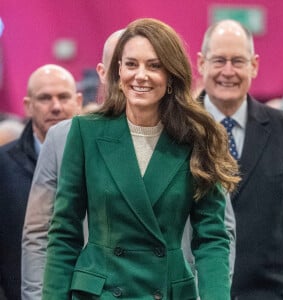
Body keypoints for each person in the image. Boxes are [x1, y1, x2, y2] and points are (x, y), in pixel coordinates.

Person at [42, 18, 239, 300]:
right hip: (101, 293)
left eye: (154, 65)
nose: (140, 75)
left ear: (171, 75)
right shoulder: (86, 132)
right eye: (131, 64)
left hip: (168, 291)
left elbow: (212, 239)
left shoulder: (198, 137)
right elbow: (63, 233)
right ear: (118, 70)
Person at [197, 19, 283, 299]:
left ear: (254, 65)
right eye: (219, 60)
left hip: (273, 292)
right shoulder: (175, 130)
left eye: (238, 61)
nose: (228, 71)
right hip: (197, 291)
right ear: (201, 63)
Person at [21, 29, 124, 300]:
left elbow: (212, 232)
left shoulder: (182, 135)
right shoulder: (62, 137)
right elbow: (40, 234)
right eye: (121, 65)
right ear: (102, 72)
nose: (130, 74)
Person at [0, 64, 82, 300]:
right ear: (28, 106)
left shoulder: (98, 158)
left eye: (64, 97)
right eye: (45, 98)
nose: (56, 107)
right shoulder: (3, 166)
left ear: (78, 100)